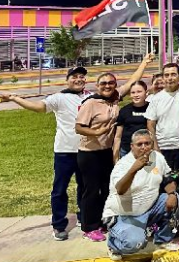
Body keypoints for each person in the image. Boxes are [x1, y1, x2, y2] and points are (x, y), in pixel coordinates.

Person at [0, 66, 92, 241]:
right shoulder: (58, 98)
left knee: (85, 187)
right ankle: (58, 226)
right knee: (59, 190)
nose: (78, 79)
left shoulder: (91, 97)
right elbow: (38, 107)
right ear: (67, 79)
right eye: (74, 77)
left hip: (86, 151)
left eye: (82, 76)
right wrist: (14, 97)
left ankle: (84, 218)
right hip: (64, 152)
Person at [75, 55, 153, 242]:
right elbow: (78, 127)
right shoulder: (91, 103)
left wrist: (144, 62)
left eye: (111, 83)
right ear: (97, 85)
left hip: (106, 152)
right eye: (103, 83)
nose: (107, 86)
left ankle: (103, 222)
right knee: (91, 190)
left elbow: (133, 81)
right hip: (90, 154)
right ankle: (89, 227)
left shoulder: (115, 98)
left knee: (106, 188)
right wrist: (97, 131)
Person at [103, 130, 179, 260]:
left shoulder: (157, 157)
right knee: (135, 243)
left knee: (176, 199)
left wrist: (172, 193)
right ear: (131, 146)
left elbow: (167, 177)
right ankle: (113, 243)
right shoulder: (123, 165)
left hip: (149, 207)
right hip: (124, 214)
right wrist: (134, 169)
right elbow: (120, 190)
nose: (144, 147)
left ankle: (162, 240)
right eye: (139, 144)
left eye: (147, 143)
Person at [145, 62, 179, 235]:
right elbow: (150, 125)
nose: (169, 78)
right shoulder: (156, 99)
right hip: (164, 149)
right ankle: (167, 221)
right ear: (162, 77)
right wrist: (156, 149)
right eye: (166, 74)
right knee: (165, 187)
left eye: (173, 74)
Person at [113, 80, 149, 162]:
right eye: (133, 92)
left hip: (147, 152)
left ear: (146, 92)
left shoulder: (152, 108)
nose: (136, 95)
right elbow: (118, 136)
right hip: (127, 152)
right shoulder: (124, 111)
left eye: (139, 92)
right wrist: (115, 158)